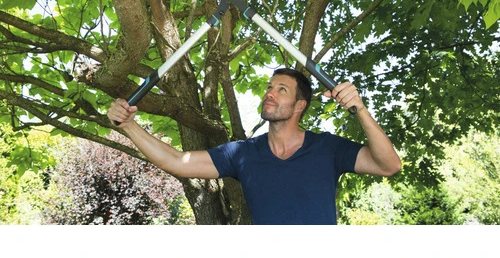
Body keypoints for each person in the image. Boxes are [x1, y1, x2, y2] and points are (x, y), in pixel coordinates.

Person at [107, 68, 401, 224]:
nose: (269, 93)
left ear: (300, 105)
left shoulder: (328, 148)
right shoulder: (242, 154)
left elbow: (389, 165)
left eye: (281, 90)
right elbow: (175, 161)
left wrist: (360, 110)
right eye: (269, 87)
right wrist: (129, 126)